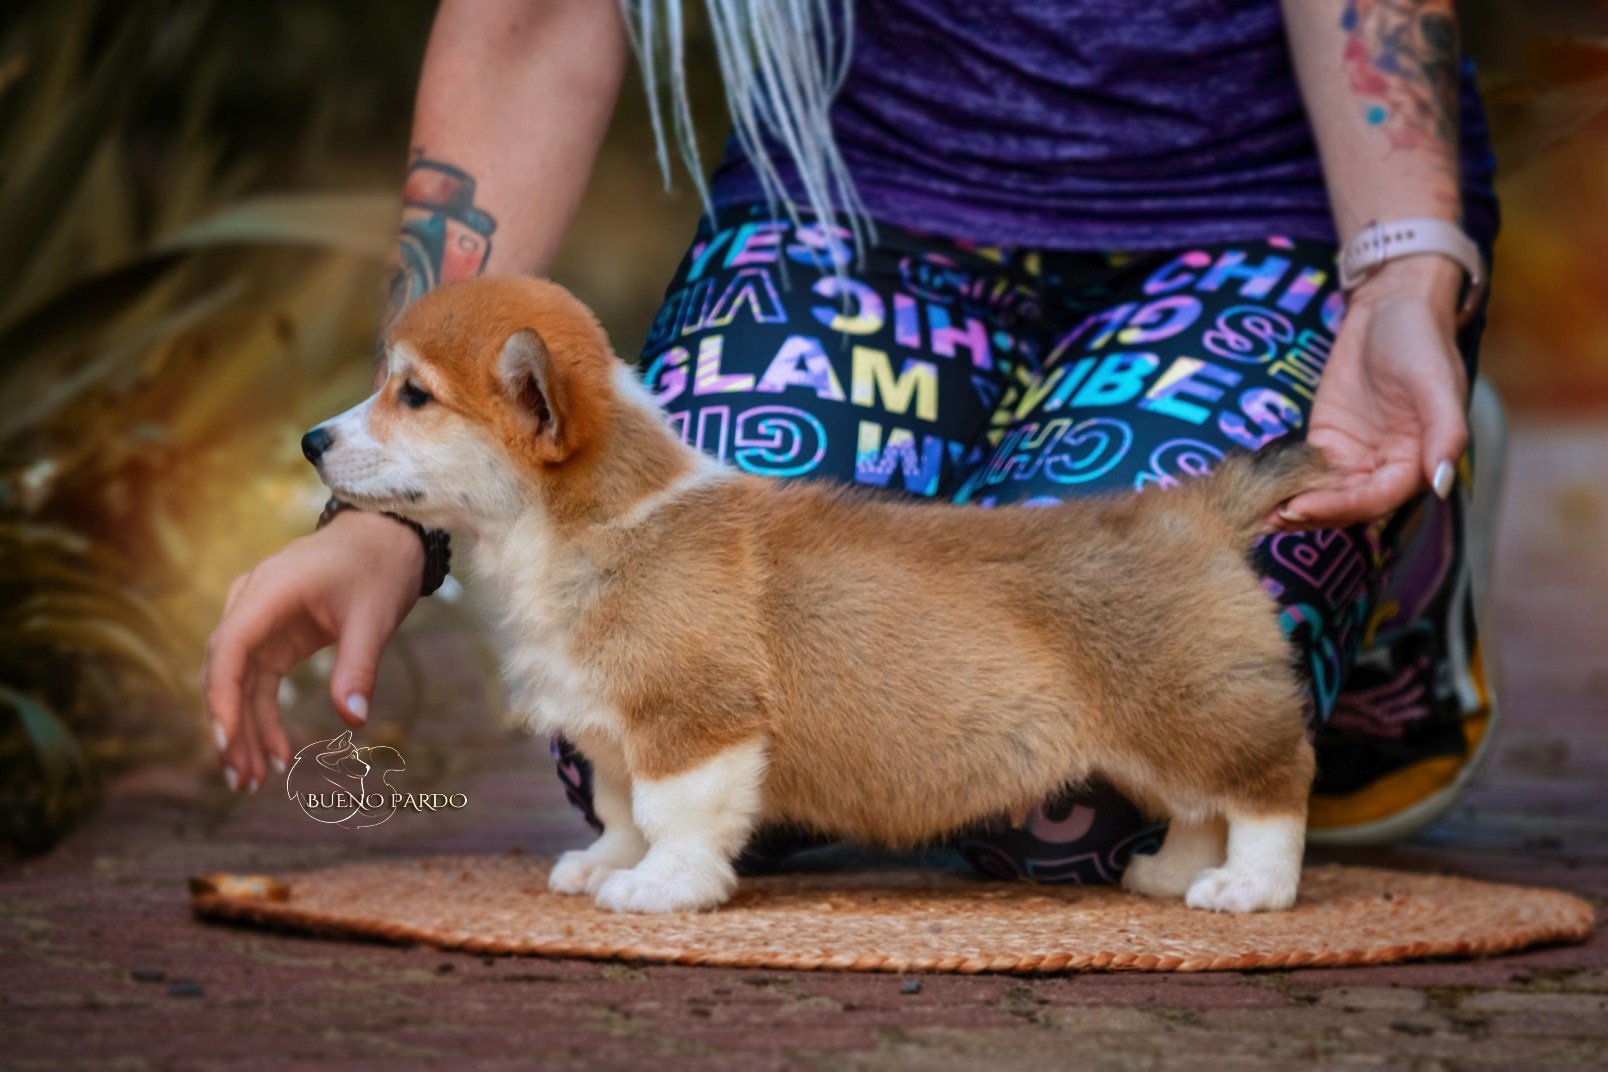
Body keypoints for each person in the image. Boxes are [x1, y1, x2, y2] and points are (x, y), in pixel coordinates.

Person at [203, 0, 1504, 883]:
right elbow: (532, 21)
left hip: (1267, 216)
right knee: (661, 719)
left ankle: (1396, 555)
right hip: (853, 206)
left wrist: (1401, 286)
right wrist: (389, 513)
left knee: (1084, 791)